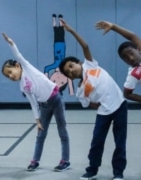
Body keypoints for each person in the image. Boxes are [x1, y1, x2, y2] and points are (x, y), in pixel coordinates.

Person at [58, 19, 127, 180]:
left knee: (120, 142)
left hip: (120, 106)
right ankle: (92, 170)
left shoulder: (90, 65)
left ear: (78, 63)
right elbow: (90, 104)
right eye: (67, 72)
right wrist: (101, 105)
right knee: (97, 142)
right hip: (104, 112)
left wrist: (71, 30)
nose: (70, 71)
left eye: (71, 66)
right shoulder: (80, 91)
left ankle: (118, 174)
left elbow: (85, 46)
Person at [1, 32, 70, 172]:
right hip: (44, 106)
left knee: (62, 130)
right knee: (40, 134)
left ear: (17, 66)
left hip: (56, 98)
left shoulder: (26, 67)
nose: (10, 76)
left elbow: (18, 55)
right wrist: (37, 119)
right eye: (7, 76)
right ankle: (35, 160)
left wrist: (11, 43)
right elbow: (33, 102)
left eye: (10, 71)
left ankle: (65, 160)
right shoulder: (22, 86)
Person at [95, 20, 141, 102]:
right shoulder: (133, 75)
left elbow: (132, 37)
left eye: (131, 53)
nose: (130, 58)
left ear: (137, 49)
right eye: (126, 58)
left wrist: (113, 27)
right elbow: (127, 94)